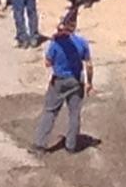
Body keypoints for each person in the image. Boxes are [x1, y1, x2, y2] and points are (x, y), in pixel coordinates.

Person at [31, 10, 93, 154]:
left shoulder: (56, 43)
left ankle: (40, 144)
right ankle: (71, 145)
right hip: (76, 81)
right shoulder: (82, 43)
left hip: (59, 80)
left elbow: (48, 62)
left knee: (50, 111)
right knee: (74, 113)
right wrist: (90, 82)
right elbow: (89, 64)